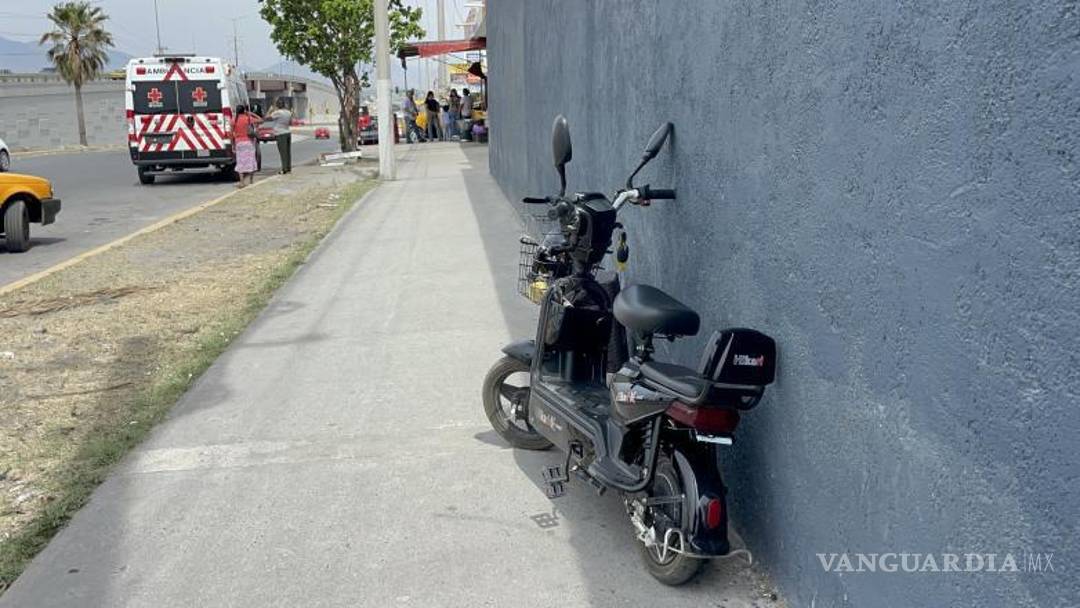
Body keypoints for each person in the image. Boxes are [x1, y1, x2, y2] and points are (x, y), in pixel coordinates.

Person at [232, 104, 261, 188]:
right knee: (251, 160)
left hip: (239, 143)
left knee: (240, 162)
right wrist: (250, 113)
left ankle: (242, 182)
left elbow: (231, 134)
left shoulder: (234, 120)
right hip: (249, 142)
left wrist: (233, 144)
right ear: (244, 111)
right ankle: (251, 181)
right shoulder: (248, 119)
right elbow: (261, 120)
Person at [268, 98, 293, 174]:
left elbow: (267, 118)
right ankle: (288, 167)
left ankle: (284, 169)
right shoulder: (288, 112)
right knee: (287, 152)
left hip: (280, 133)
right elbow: (290, 122)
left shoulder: (277, 112)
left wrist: (270, 110)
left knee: (283, 152)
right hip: (287, 132)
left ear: (278, 105)